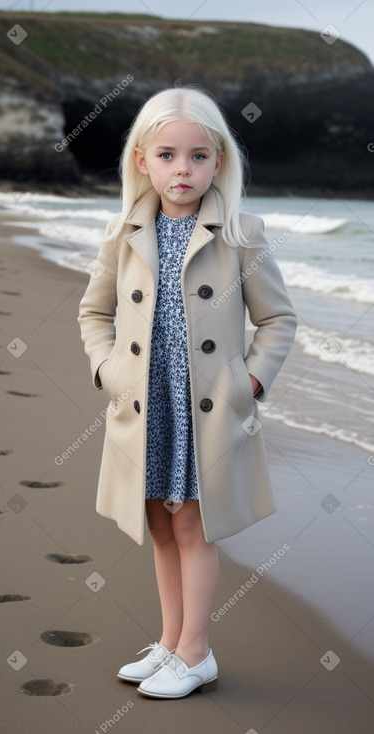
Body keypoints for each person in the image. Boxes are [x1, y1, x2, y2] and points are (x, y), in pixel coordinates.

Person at [78, 85, 298, 699]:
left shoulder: (241, 233)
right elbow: (93, 315)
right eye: (169, 155)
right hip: (145, 406)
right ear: (143, 159)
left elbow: (278, 320)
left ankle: (197, 652)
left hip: (206, 409)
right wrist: (108, 371)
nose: (183, 169)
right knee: (158, 524)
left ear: (219, 161)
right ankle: (171, 642)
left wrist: (249, 382)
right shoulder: (123, 231)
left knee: (195, 528)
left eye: (199, 156)